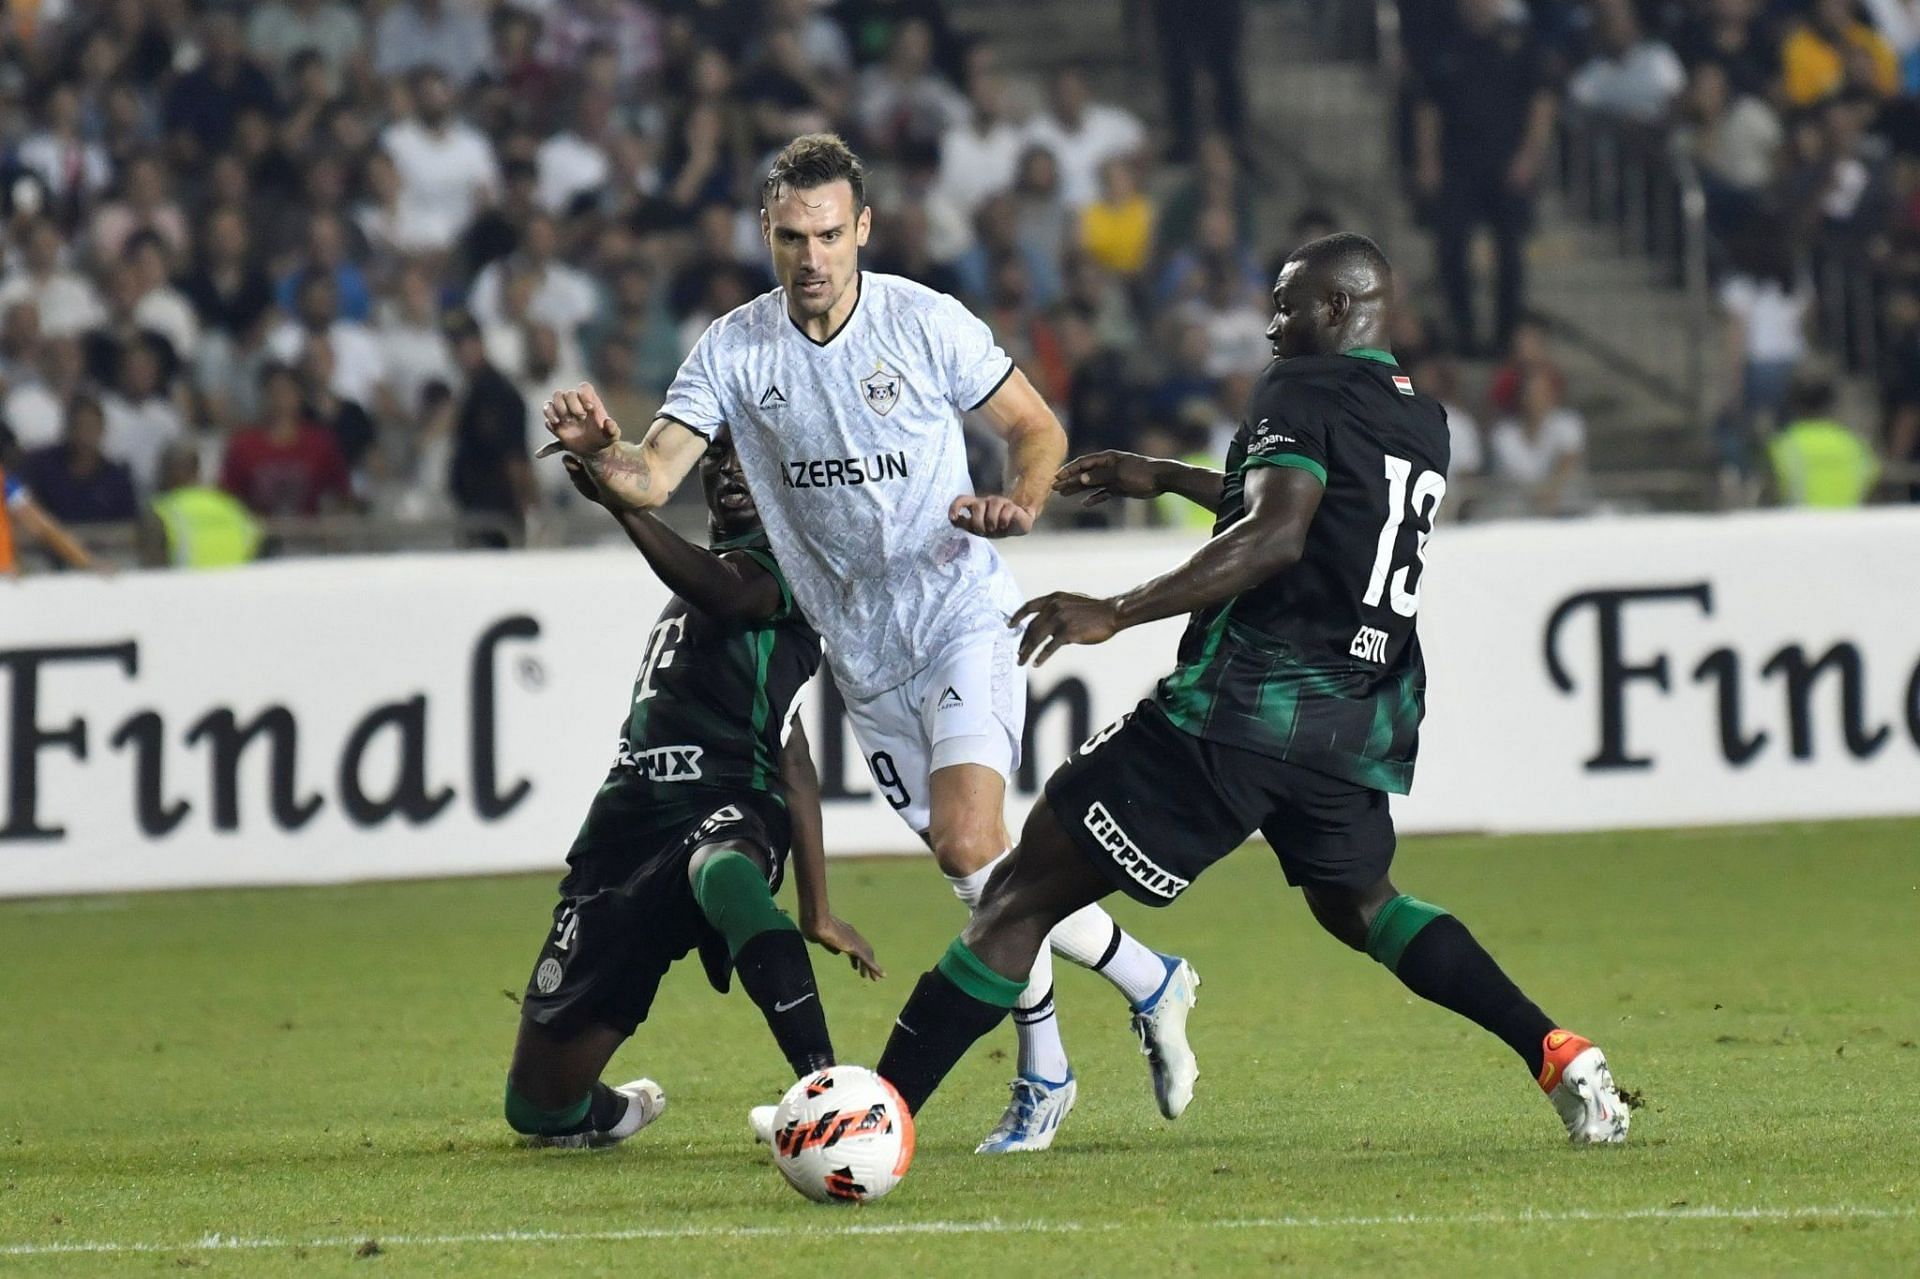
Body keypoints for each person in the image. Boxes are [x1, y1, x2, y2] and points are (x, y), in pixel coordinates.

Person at [869, 233, 1632, 1148]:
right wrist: (1164, 478)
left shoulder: (1299, 389)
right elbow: (1321, 517)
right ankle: (1556, 1052)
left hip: (1245, 710)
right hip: (1358, 716)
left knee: (1021, 894)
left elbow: (1274, 536)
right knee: (1365, 906)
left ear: (1341, 310)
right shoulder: (1421, 416)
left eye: (1289, 305)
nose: (1271, 325)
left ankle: (878, 1113)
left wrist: (1116, 607)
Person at [538, 134, 1199, 1154]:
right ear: (767, 233)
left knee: (978, 842)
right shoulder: (733, 349)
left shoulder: (924, 322)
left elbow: (1038, 429)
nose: (813, 256)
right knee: (977, 872)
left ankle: (1055, 1065)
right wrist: (599, 454)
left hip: (960, 615)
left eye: (832, 234)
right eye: (793, 236)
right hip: (863, 660)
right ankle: (1128, 998)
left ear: (865, 231)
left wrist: (1022, 503)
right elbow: (653, 474)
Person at [503, 429, 879, 1149]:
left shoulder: (787, 572)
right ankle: (613, 1112)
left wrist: (624, 507)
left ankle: (828, 1094)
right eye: (717, 459)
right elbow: (796, 751)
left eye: (754, 461)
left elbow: (730, 597)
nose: (731, 471)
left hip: (729, 801)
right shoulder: (696, 592)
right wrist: (818, 910)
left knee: (725, 871)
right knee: (537, 1107)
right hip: (627, 828)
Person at [1411, 0, 1557, 356]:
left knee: (1509, 254)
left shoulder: (1520, 44)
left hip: (1507, 167)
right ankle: (1463, 332)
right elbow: (1428, 107)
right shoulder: (1443, 45)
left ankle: (1507, 335)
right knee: (1451, 251)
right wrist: (1427, 161)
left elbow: (1541, 102)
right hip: (1458, 166)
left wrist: (1529, 156)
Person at [141, 443, 263, 569]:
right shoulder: (231, 507)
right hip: (239, 586)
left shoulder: (162, 512)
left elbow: (154, 571)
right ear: (197, 470)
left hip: (184, 587)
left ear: (169, 471)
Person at [0, 462, 107, 576]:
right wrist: (88, 562)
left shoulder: (4, 482)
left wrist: (88, 562)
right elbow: (42, 526)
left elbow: (41, 525)